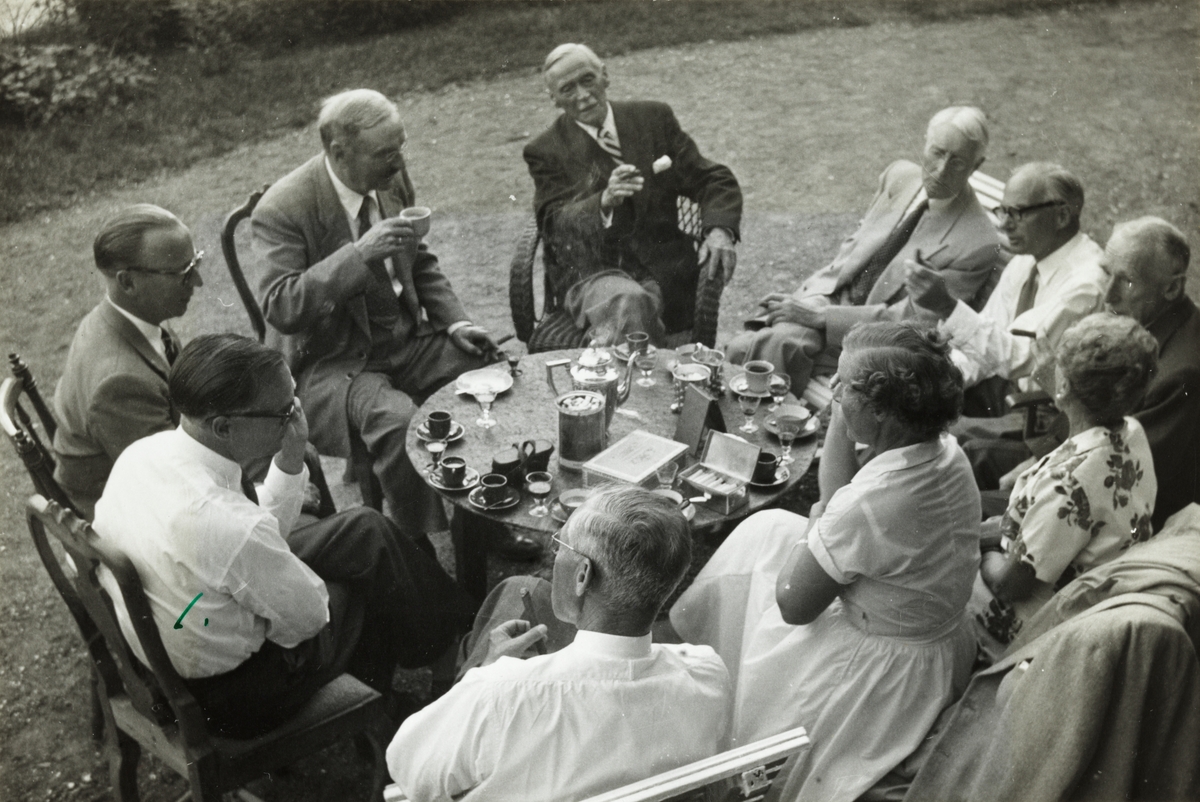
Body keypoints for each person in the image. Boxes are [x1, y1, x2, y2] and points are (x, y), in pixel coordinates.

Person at [92, 334, 472, 738]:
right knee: (361, 582)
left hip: (181, 632)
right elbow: (310, 617)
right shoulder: (228, 525)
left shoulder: (145, 454)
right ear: (223, 426)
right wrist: (307, 579)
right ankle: (391, 712)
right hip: (234, 696)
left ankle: (447, 639)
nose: (297, 419)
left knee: (365, 530)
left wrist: (290, 462)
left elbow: (245, 540)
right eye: (284, 412)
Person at [670, 322, 980, 802]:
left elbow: (796, 603)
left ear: (881, 412)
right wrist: (841, 416)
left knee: (775, 608)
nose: (830, 391)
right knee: (767, 528)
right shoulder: (944, 452)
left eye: (843, 385)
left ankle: (711, 694)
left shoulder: (876, 501)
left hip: (880, 669)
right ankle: (695, 643)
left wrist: (817, 524)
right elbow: (841, 500)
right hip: (924, 628)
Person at [252, 88, 538, 559]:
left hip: (406, 340)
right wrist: (358, 255)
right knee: (399, 422)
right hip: (335, 362)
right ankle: (414, 546)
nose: (399, 162)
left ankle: (489, 515)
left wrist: (455, 323)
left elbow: (419, 259)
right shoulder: (284, 208)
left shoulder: (389, 178)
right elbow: (281, 306)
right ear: (339, 152)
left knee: (494, 375)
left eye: (401, 146)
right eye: (387, 152)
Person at [386, 486, 732, 801]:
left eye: (560, 545)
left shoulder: (497, 695)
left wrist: (482, 672)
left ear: (583, 575)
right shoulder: (708, 675)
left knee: (513, 592)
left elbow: (409, 771)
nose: (553, 557)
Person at [727, 106, 1007, 391]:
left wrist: (822, 317)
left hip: (875, 340)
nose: (941, 169)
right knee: (747, 349)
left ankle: (746, 427)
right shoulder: (899, 177)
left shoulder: (976, 242)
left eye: (958, 162)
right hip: (832, 298)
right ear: (925, 143)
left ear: (977, 165)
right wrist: (817, 304)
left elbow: (913, 322)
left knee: (761, 348)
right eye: (937, 152)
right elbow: (855, 247)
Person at [524, 43, 742, 346]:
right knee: (631, 303)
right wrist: (603, 201)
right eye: (567, 89)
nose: (583, 95)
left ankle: (608, 350)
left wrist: (720, 230)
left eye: (588, 80)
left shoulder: (653, 118)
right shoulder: (545, 150)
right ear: (555, 99)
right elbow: (553, 222)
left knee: (632, 313)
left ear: (605, 76)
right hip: (595, 274)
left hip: (665, 269)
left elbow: (711, 177)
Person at [970, 313, 1158, 659]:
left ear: (1064, 387)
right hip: (1095, 591)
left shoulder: (1066, 483)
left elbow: (1008, 584)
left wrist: (976, 548)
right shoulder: (1131, 431)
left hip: (1038, 627)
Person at [906, 162, 1106, 402]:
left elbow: (1022, 360)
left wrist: (948, 307)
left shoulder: (1085, 285)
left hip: (1040, 413)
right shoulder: (1028, 259)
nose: (1004, 224)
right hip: (999, 389)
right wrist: (935, 384)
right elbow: (988, 343)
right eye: (1003, 211)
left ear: (1061, 216)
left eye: (1018, 213)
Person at [52, 204, 202, 519]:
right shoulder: (120, 383)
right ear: (128, 282)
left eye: (195, 263)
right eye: (182, 273)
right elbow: (178, 487)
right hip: (139, 520)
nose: (197, 282)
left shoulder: (123, 319)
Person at [1103, 217, 1200, 531]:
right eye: (1107, 273)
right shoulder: (1143, 321)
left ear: (1172, 287)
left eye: (1127, 281)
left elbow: (1121, 469)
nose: (1108, 295)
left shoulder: (1181, 372)